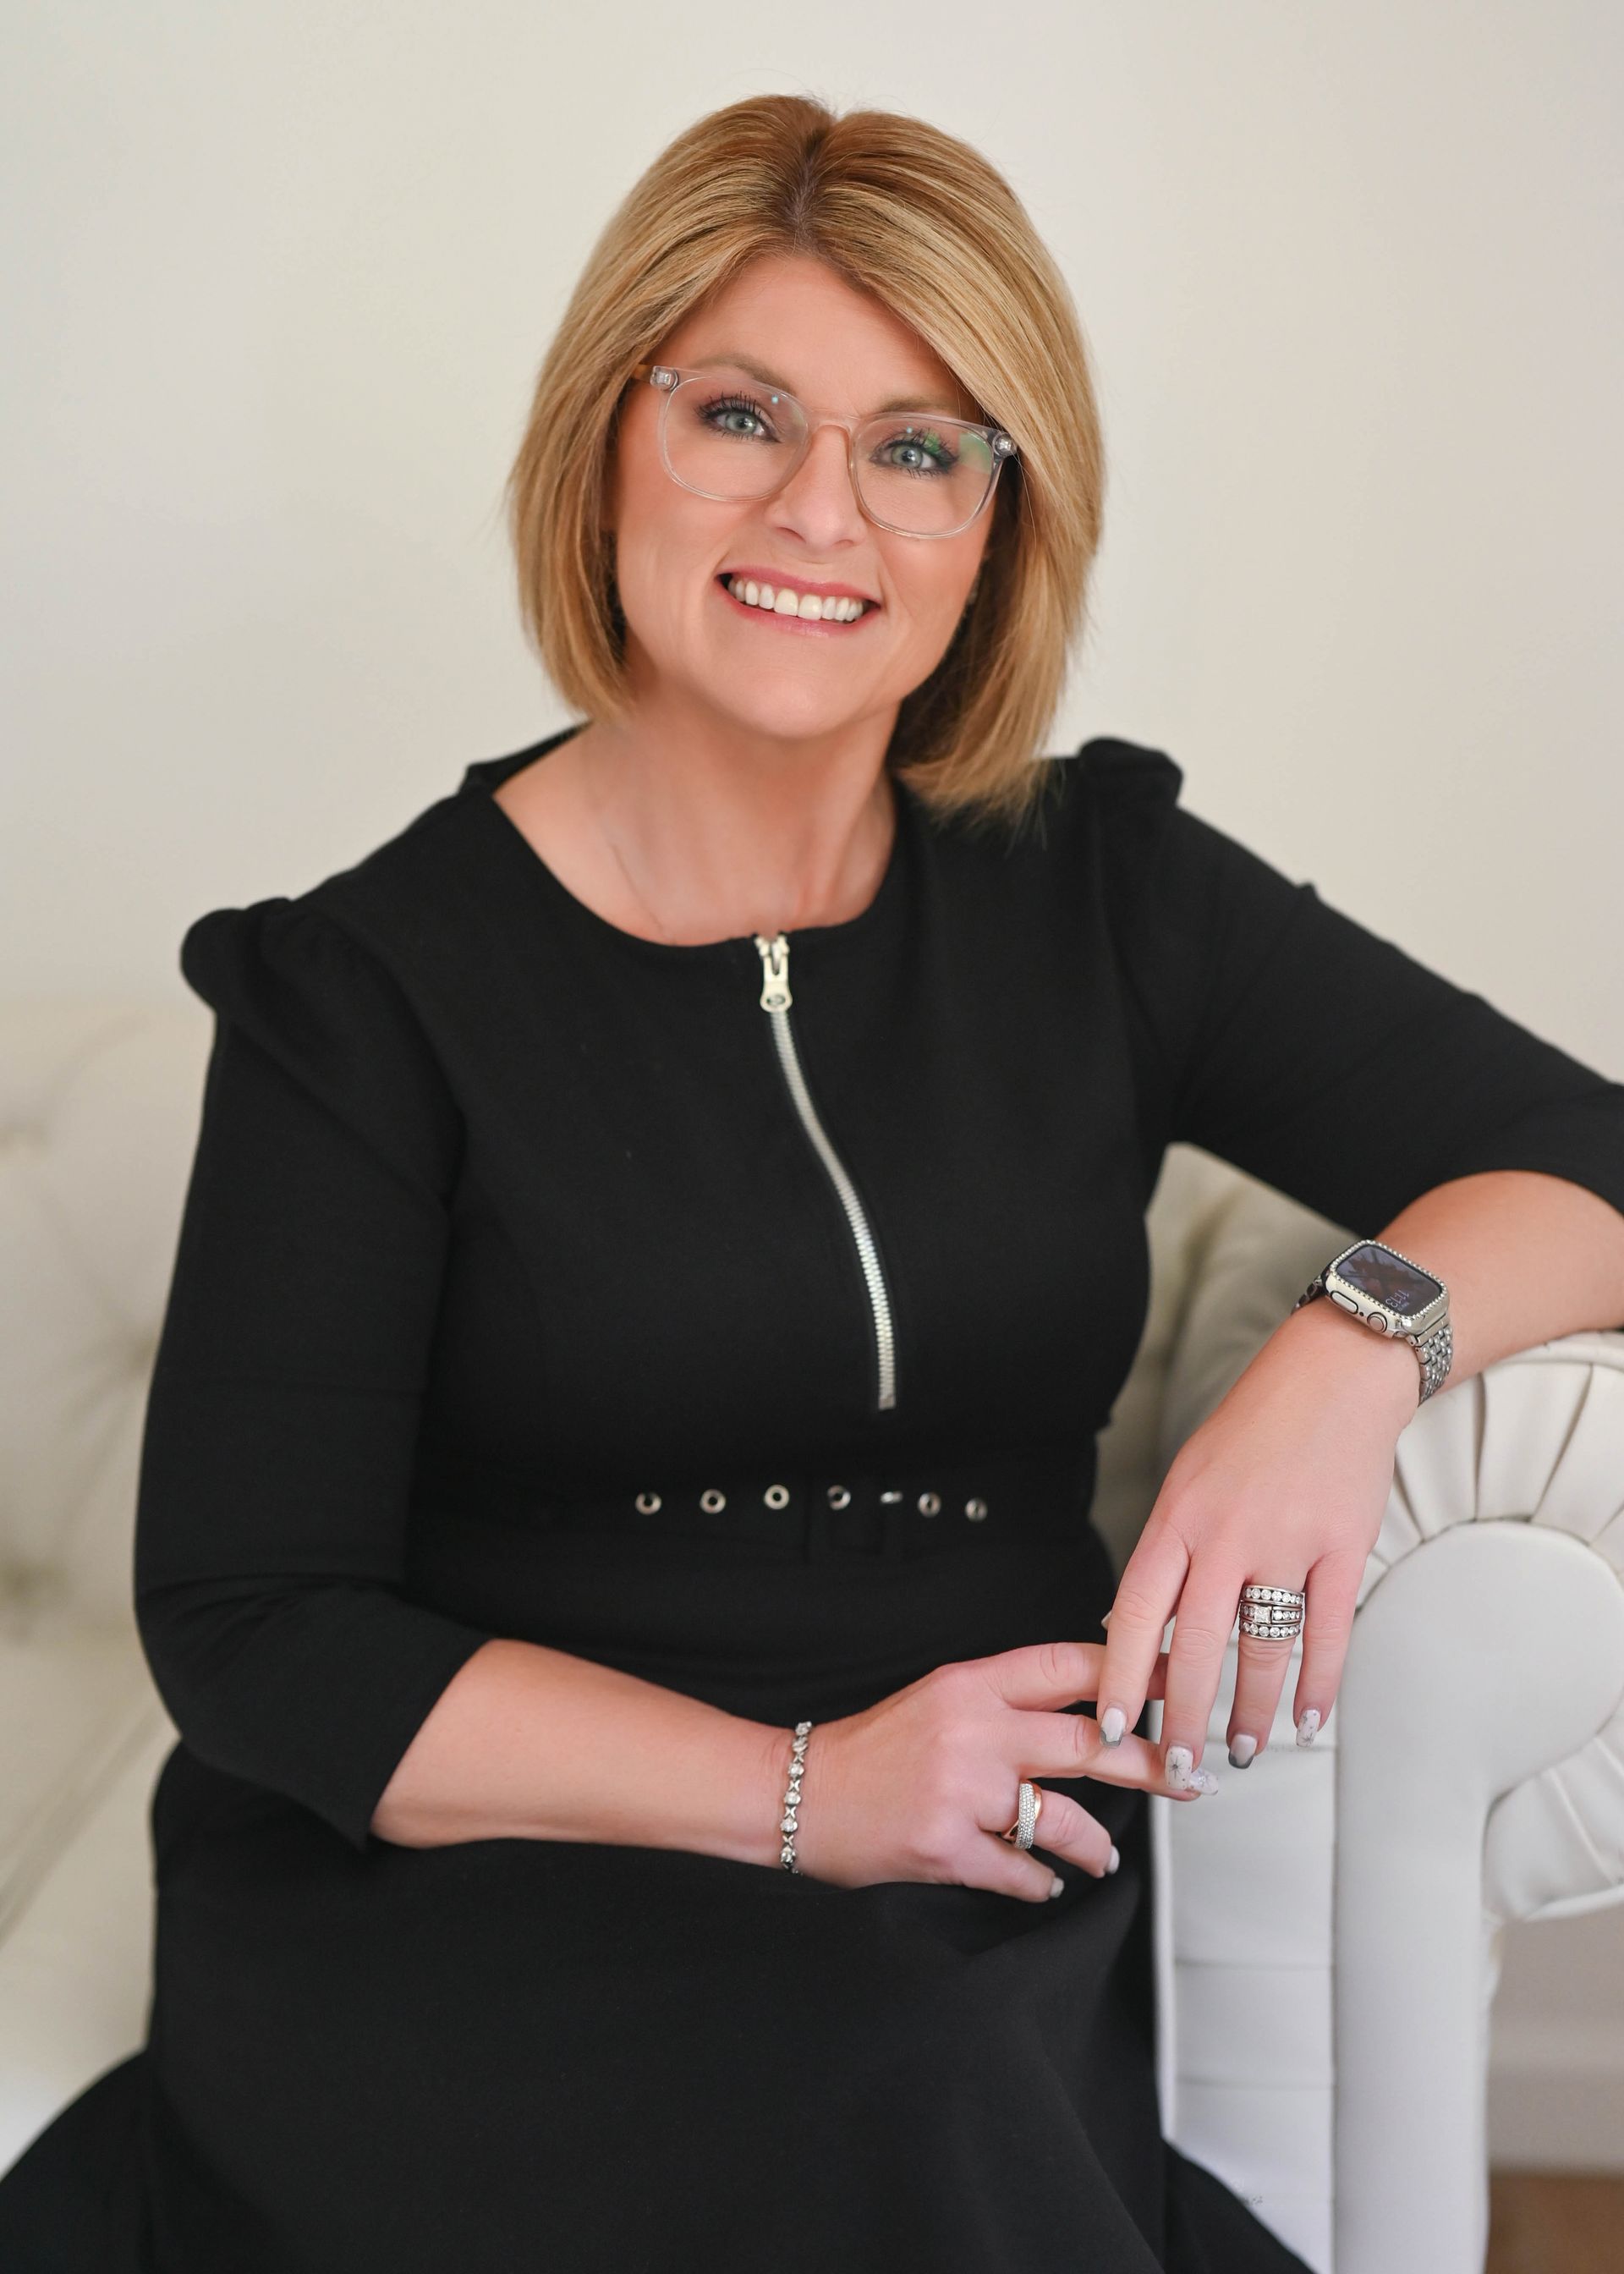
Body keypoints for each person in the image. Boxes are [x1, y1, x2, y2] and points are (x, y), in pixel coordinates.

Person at [3, 91, 1623, 2274]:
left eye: (923, 444)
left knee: (915, 2077)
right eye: (741, 413)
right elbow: (252, 1627)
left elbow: (1592, 1156)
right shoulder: (362, 990)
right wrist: (806, 1797)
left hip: (966, 1849)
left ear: (999, 522)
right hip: (491, 1864)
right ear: (606, 441)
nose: (820, 510)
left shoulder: (1106, 888)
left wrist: (1350, 1355)